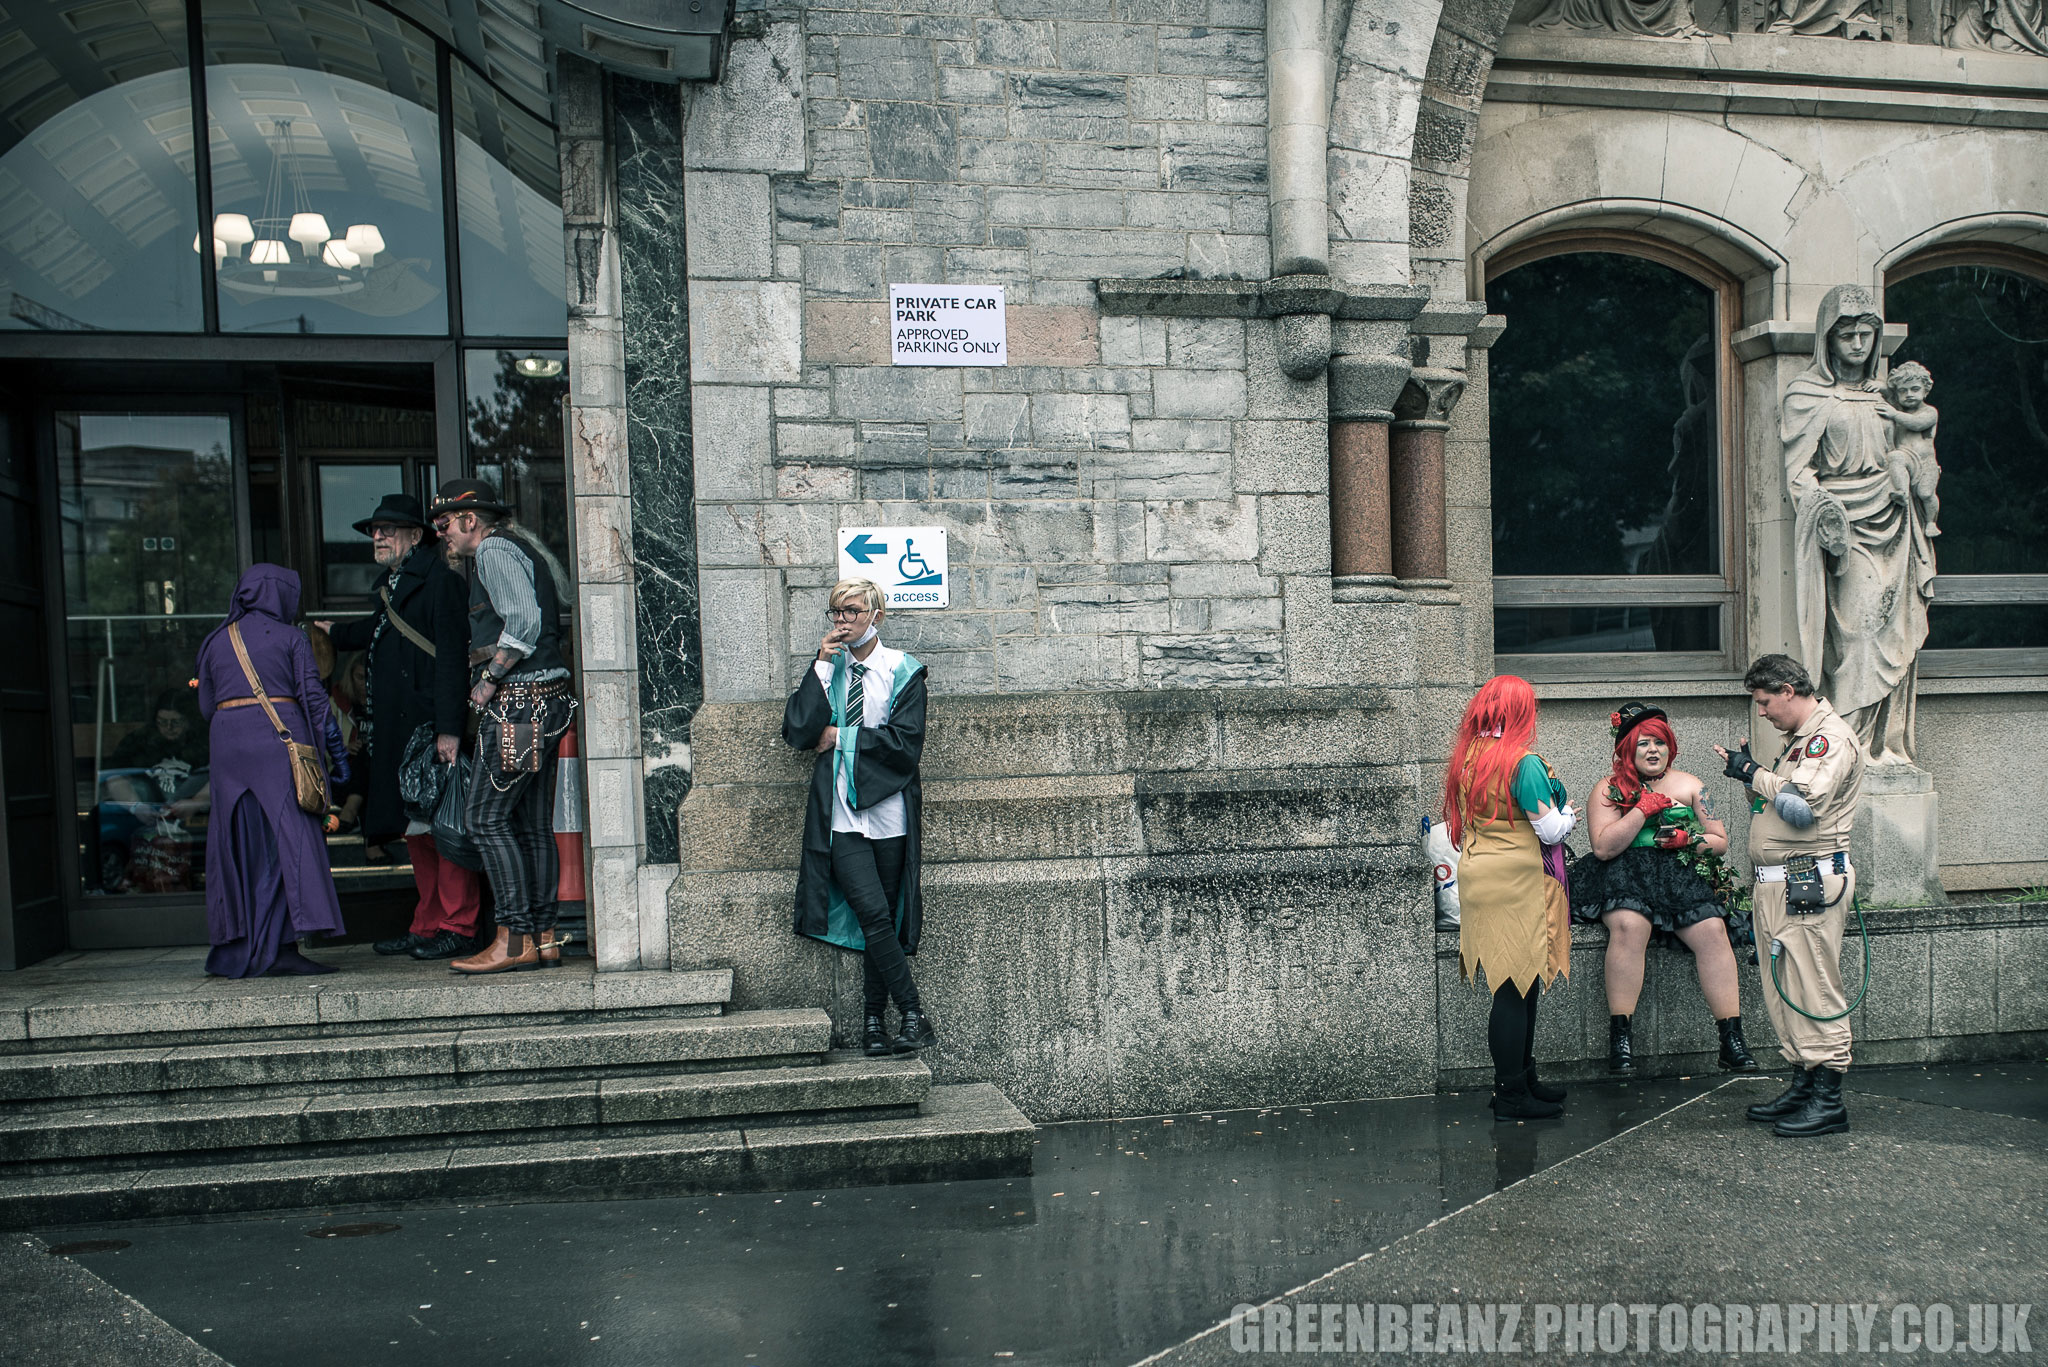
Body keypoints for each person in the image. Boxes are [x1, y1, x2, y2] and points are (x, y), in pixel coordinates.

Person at [1714, 653, 1868, 1139]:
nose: (1761, 712)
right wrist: (1752, 777)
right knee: (1786, 986)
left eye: (1763, 701)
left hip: (1810, 878)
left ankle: (1828, 1100)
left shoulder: (1829, 739)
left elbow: (1801, 809)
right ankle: (1803, 1083)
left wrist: (1754, 772)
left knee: (1814, 987)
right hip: (1783, 882)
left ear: (1787, 689)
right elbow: (1778, 804)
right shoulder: (1797, 744)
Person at [315, 494, 475, 961]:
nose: (377, 537)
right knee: (416, 830)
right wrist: (333, 632)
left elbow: (450, 660)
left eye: (387, 529)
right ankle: (427, 924)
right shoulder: (396, 583)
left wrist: (448, 728)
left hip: (428, 728)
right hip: (402, 732)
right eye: (374, 531)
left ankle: (458, 925)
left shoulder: (440, 583)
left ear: (415, 536)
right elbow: (378, 629)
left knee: (442, 830)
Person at [783, 578, 935, 1056]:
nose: (843, 620)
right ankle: (913, 1012)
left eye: (851, 611)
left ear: (876, 615)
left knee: (882, 920)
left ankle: (874, 1022)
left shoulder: (902, 672)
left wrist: (842, 737)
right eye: (836, 612)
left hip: (889, 814)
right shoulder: (829, 669)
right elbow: (798, 730)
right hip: (842, 817)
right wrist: (823, 665)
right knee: (870, 911)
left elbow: (904, 744)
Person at [432, 480, 576, 975]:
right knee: (530, 824)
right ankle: (543, 935)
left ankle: (512, 939)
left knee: (485, 819)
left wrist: (488, 680)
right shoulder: (516, 549)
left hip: (519, 703)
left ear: (470, 520)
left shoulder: (493, 550)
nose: (441, 533)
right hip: (543, 702)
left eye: (444, 523)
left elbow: (523, 622)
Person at [1571, 701, 1757, 1075]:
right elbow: (1603, 848)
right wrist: (1642, 810)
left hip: (1680, 877)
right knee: (1630, 926)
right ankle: (1620, 1038)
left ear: (1671, 746)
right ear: (1625, 749)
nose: (1652, 750)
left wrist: (1687, 841)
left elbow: (1720, 840)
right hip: (1624, 876)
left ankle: (1731, 1039)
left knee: (1712, 930)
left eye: (1659, 742)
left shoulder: (1692, 786)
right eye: (1642, 743)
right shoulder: (1607, 789)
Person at [194, 564, 346, 976]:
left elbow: (207, 707)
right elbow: (313, 700)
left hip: (228, 746)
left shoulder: (213, 641)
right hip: (278, 743)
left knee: (238, 844)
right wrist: (334, 752)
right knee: (289, 844)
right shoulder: (291, 637)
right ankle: (281, 948)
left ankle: (239, 946)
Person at [1442, 674, 1576, 1120]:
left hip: (1480, 875)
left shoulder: (1469, 756)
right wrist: (1570, 813)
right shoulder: (1523, 762)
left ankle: (1522, 1080)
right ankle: (1511, 1095)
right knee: (1513, 989)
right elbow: (1551, 829)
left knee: (1518, 981)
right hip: (1517, 881)